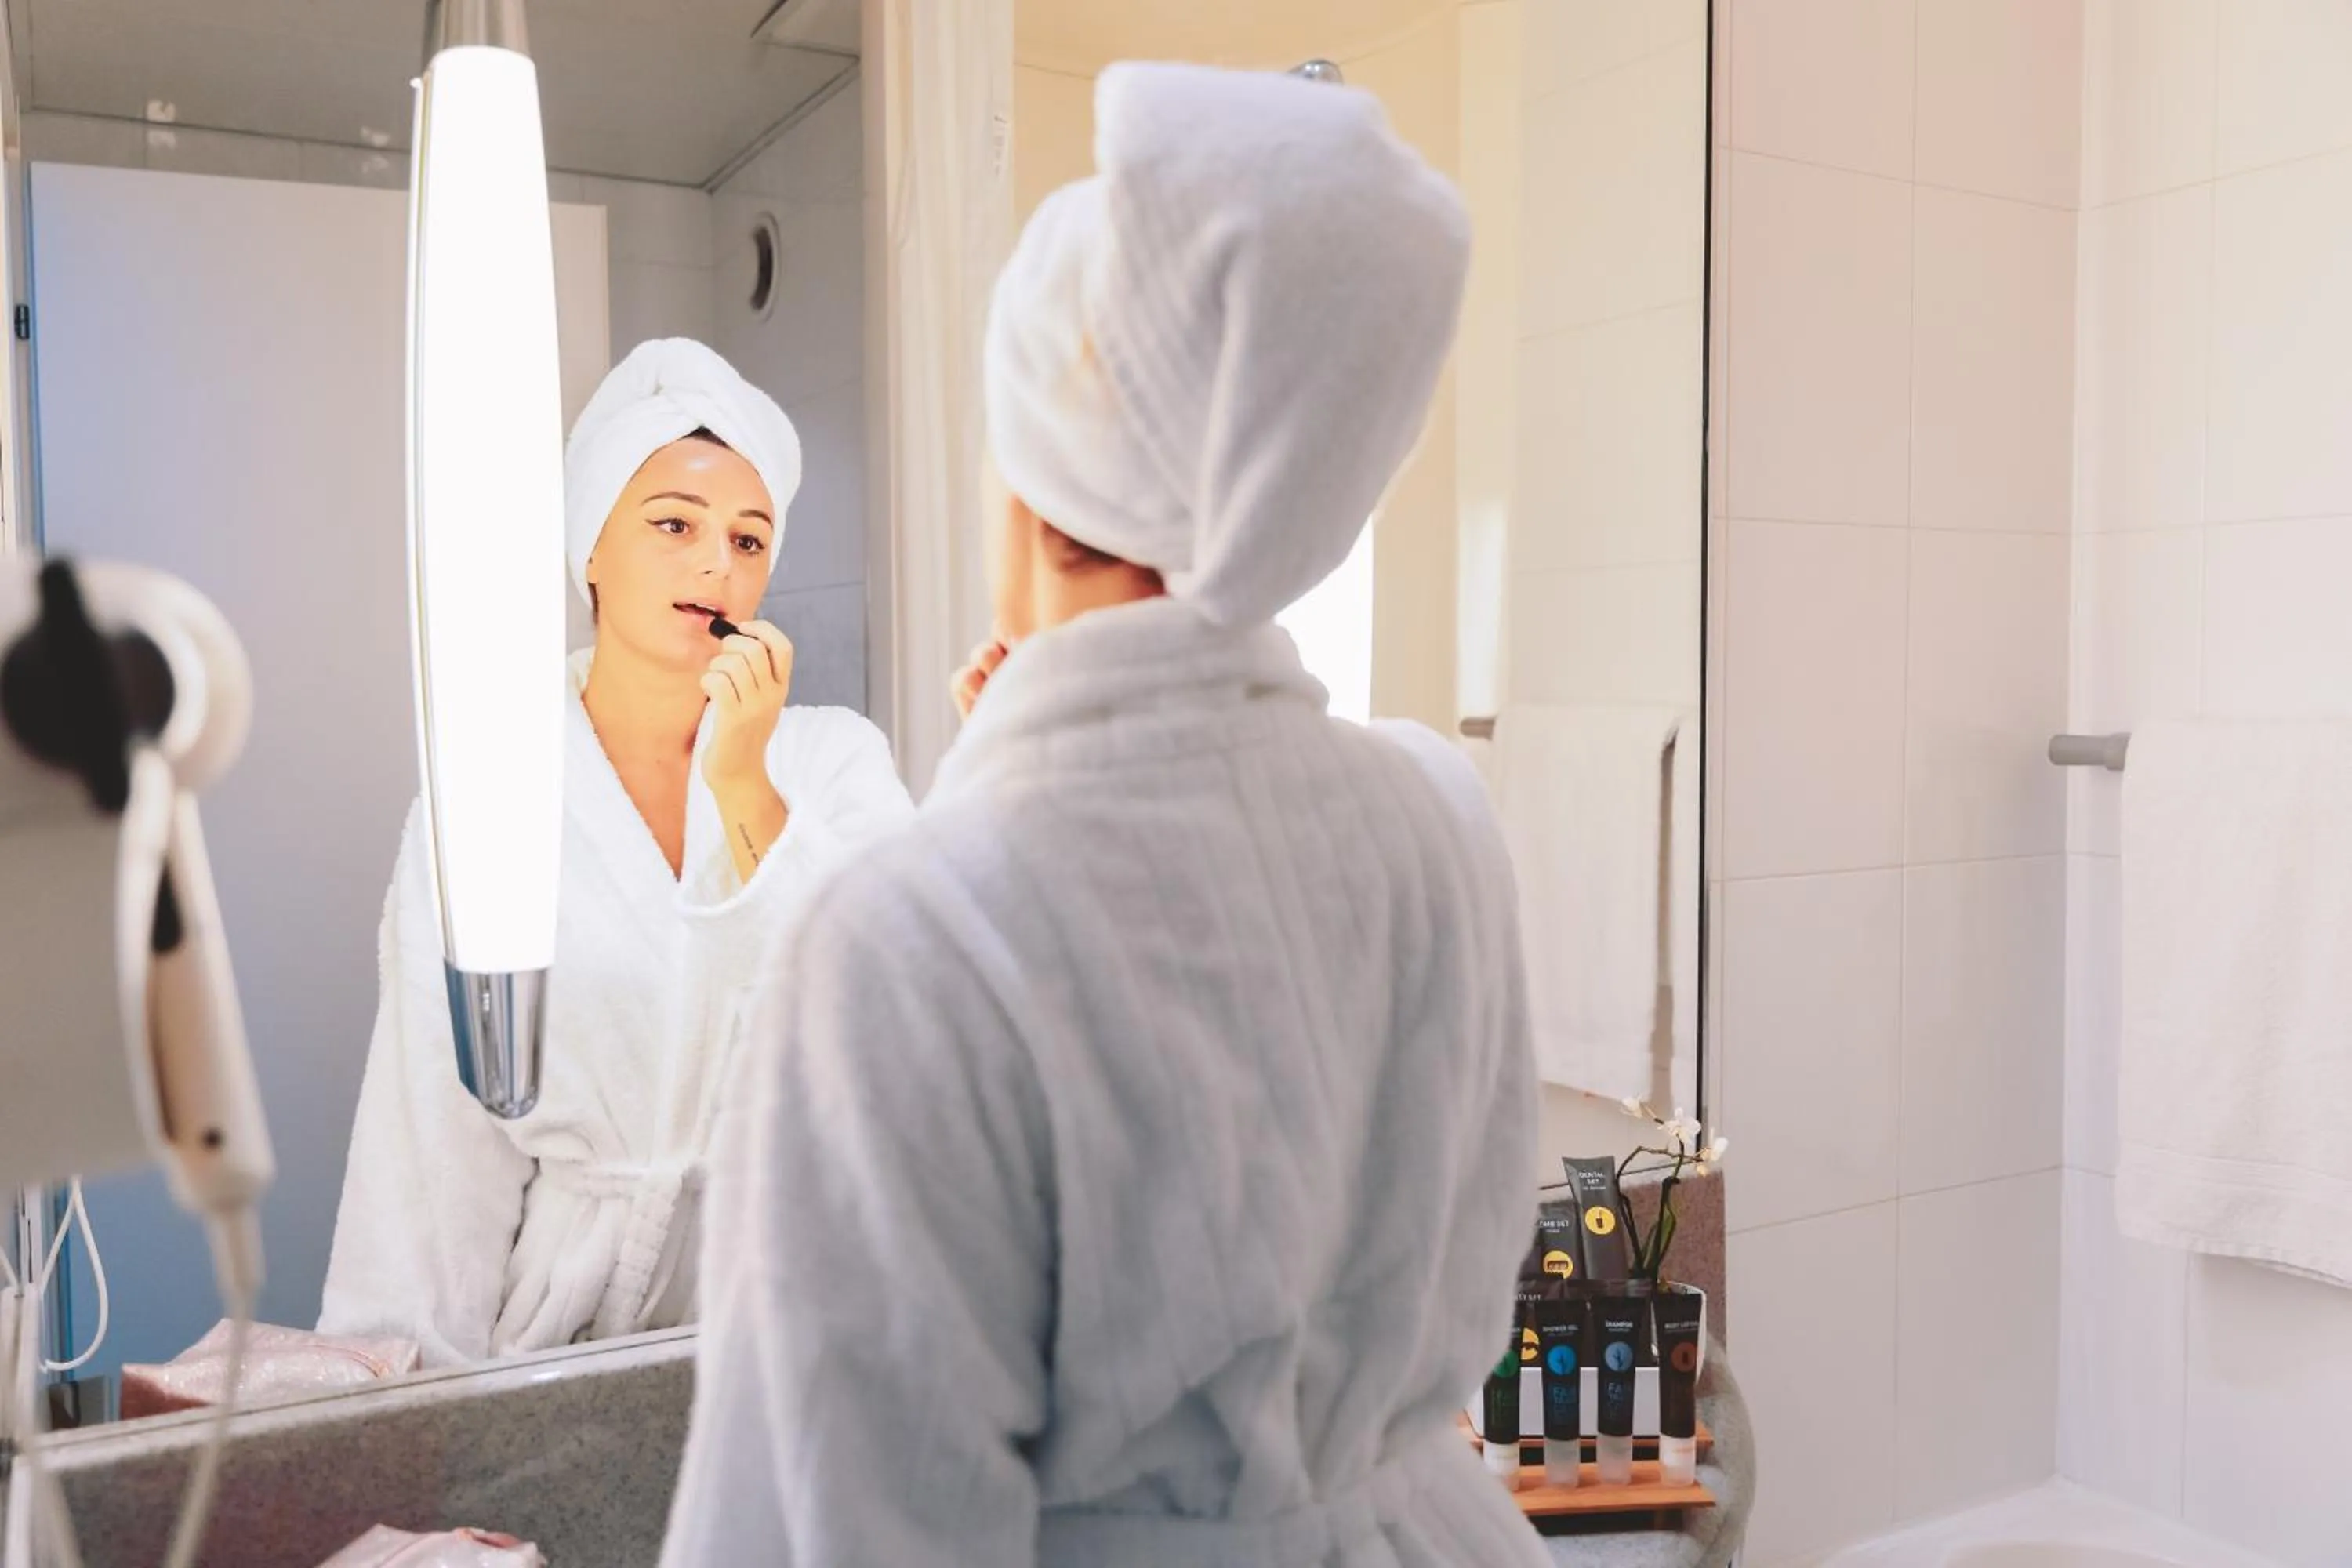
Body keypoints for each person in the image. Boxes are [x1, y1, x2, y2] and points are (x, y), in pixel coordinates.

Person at [662, 64, 1548, 1567]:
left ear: (1028, 465)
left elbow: (841, 1527)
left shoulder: (897, 946)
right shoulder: (1437, 822)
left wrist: (991, 847)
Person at [321, 339, 913, 1367]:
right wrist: (402, 1429)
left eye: (749, 537)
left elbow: (902, 1008)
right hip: (558, 1338)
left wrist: (745, 784)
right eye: (674, 524)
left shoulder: (834, 764)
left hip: (791, 1321)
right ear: (589, 546)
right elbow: (429, 1147)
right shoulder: (491, 804)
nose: (716, 561)